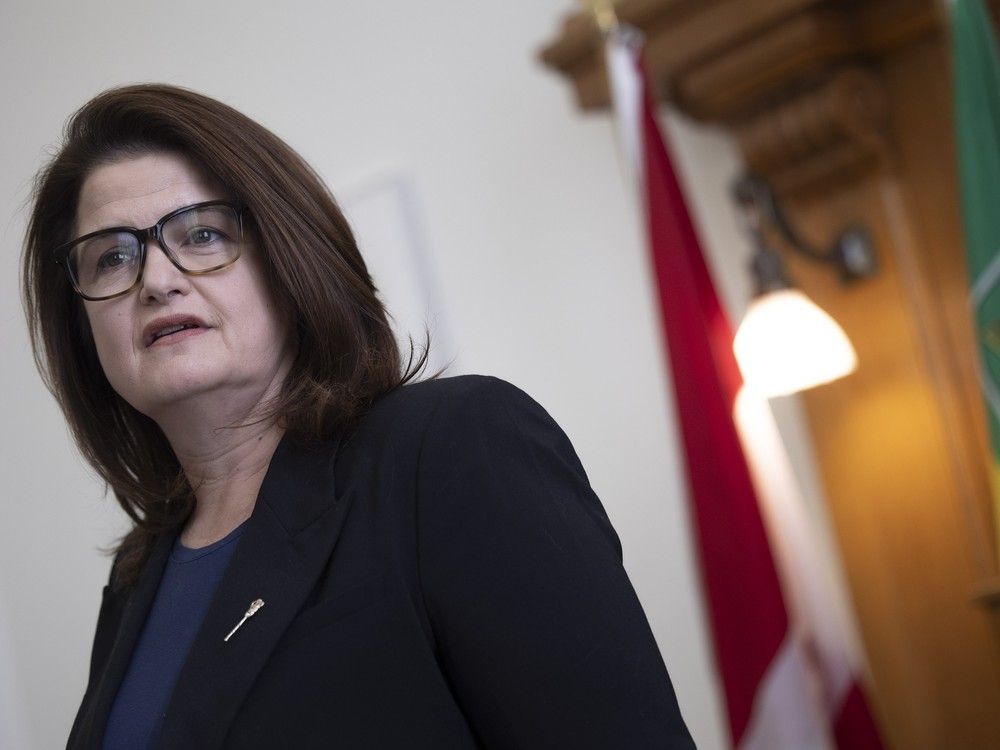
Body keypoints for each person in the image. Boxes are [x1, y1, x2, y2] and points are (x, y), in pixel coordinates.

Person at [22, 83, 695, 749]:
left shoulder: (451, 448)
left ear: (289, 257)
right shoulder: (136, 577)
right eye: (112, 257)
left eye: (202, 234)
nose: (156, 280)